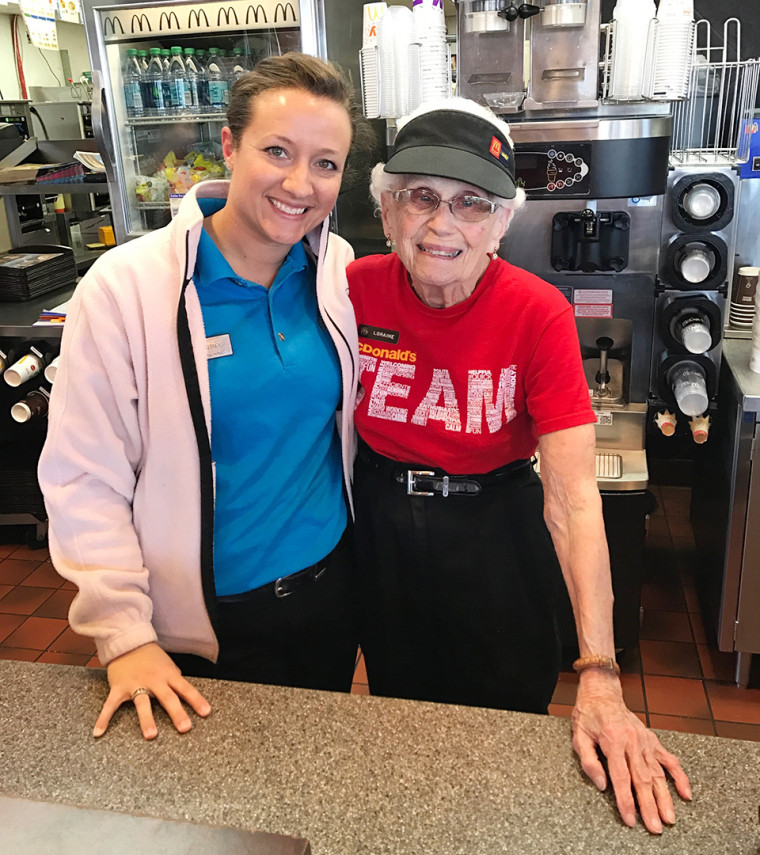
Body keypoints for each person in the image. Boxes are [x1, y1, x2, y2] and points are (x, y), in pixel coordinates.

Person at [347, 98, 692, 834]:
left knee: (508, 727)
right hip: (382, 531)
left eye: (473, 203)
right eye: (421, 197)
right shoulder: (350, 291)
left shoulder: (536, 311)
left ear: (502, 222)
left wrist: (599, 672)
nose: (442, 225)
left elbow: (572, 499)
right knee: (402, 723)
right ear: (386, 208)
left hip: (496, 533)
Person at [38, 53, 362, 742]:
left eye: (326, 163)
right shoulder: (129, 287)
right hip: (203, 628)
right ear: (228, 146)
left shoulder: (335, 269)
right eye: (277, 151)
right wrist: (123, 633)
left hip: (330, 599)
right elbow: (81, 475)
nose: (300, 184)